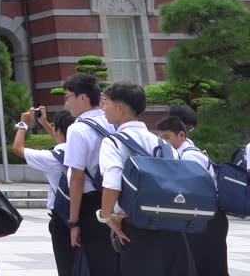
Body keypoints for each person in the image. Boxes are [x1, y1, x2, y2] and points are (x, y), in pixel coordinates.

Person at [98, 82, 190, 275]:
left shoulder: (113, 142)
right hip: (172, 226)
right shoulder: (161, 143)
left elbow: (112, 185)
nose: (102, 108)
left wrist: (106, 216)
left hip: (136, 226)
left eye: (106, 102)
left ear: (120, 108)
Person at [157, 115, 227, 276]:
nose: (164, 142)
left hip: (207, 216)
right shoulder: (183, 154)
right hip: (203, 215)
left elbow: (196, 189)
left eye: (167, 137)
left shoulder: (190, 156)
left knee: (209, 265)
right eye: (160, 138)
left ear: (182, 135)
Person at [61, 72, 116, 275]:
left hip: (92, 204)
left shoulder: (78, 129)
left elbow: (77, 178)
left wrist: (74, 221)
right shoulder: (113, 121)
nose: (67, 103)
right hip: (118, 199)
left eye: (67, 97)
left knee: (97, 263)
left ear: (82, 97)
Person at [13, 107, 76, 276]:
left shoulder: (52, 159)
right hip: (85, 213)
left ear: (58, 130)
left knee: (66, 265)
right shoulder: (81, 150)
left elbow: (17, 149)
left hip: (62, 219)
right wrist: (45, 124)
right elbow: (62, 140)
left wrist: (23, 125)